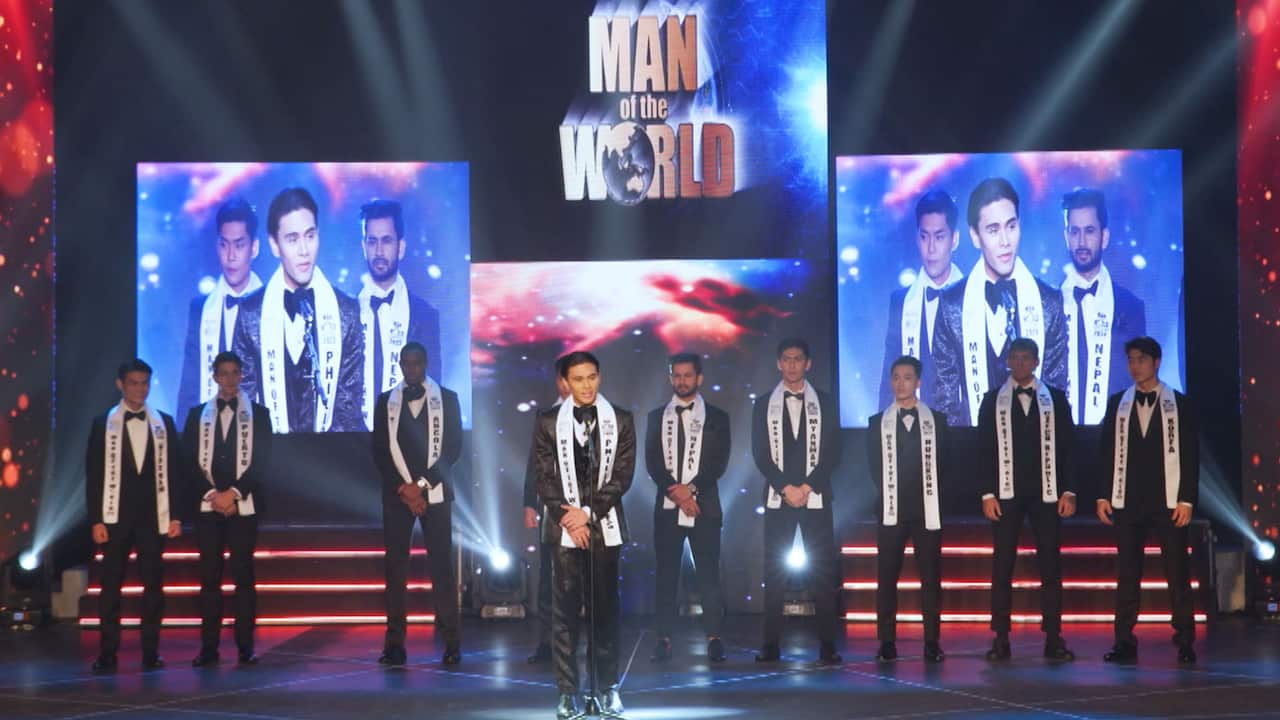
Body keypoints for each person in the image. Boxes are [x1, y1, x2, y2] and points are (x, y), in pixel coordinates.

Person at [533, 351, 635, 719]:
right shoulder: (547, 422)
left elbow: (622, 476)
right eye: (578, 379)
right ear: (565, 382)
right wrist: (570, 519)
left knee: (604, 611)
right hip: (564, 530)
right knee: (564, 614)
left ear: (599, 377)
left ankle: (607, 688)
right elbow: (543, 476)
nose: (586, 385)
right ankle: (567, 692)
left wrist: (588, 514)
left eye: (591, 377)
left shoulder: (620, 419)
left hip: (603, 528)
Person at [932, 177, 1069, 426]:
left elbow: (1056, 394)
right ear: (975, 236)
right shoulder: (951, 305)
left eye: (1011, 226)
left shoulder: (1048, 301)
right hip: (974, 444)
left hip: (1036, 441)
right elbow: (946, 403)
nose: (1005, 241)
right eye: (993, 230)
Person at [1097, 337, 1199, 665]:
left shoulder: (1179, 404)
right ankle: (1124, 640)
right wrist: (1103, 494)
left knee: (1177, 573)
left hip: (1168, 501)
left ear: (1156, 362)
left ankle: (1185, 640)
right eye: (1130, 360)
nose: (1134, 366)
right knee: (1127, 574)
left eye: (1141, 359)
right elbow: (1107, 451)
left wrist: (1186, 499)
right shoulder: (1118, 403)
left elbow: (1190, 454)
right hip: (1127, 501)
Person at [976, 338, 1076, 662]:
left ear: (1036, 362)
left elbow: (1069, 447)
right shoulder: (992, 400)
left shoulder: (1055, 399)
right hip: (1005, 495)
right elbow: (983, 449)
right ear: (1007, 361)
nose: (1019, 363)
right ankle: (1000, 637)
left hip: (1047, 493)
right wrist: (987, 493)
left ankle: (1054, 636)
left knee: (1050, 565)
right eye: (1015, 357)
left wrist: (1069, 490)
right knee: (1002, 565)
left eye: (1026, 358)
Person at [234, 187, 364, 432]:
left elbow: (348, 412)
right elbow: (243, 408)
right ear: (275, 245)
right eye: (292, 239)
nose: (304, 250)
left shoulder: (346, 311)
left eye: (310, 236)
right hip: (269, 452)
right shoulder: (250, 314)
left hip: (329, 452)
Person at [85, 359, 183, 672]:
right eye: (133, 383)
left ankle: (150, 652)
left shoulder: (164, 423)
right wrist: (96, 519)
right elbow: (94, 474)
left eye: (144, 383)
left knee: (153, 586)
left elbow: (175, 472)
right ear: (120, 385)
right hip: (114, 517)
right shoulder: (103, 423)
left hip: (153, 518)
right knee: (110, 587)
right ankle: (107, 652)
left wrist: (175, 515)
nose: (140, 389)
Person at [752, 338, 844, 665]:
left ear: (808, 363)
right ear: (779, 363)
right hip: (779, 498)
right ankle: (770, 645)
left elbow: (834, 452)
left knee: (822, 572)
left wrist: (806, 487)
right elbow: (760, 453)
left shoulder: (826, 403)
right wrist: (785, 488)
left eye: (798, 359)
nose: (792, 365)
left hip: (815, 495)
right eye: (787, 359)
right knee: (774, 572)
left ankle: (828, 645)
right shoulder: (764, 404)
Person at [371, 342, 463, 666]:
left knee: (442, 568)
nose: (411, 368)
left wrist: (420, 486)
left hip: (434, 494)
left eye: (417, 362)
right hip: (398, 496)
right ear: (399, 365)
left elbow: (452, 449)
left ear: (426, 364)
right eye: (406, 363)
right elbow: (380, 451)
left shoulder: (447, 399)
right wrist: (405, 489)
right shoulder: (386, 401)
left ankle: (451, 642)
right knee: (395, 569)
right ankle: (394, 644)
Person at [185, 351, 273, 668]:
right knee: (209, 578)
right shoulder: (197, 415)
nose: (230, 379)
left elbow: (262, 461)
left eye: (235, 373)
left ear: (241, 375)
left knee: (243, 577)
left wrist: (233, 494)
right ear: (214, 377)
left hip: (242, 507)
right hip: (208, 507)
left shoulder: (259, 414)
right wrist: (213, 494)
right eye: (224, 373)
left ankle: (245, 646)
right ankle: (208, 647)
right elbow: (188, 461)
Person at [647, 353, 731, 664]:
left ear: (699, 378)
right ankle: (663, 639)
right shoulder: (656, 417)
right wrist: (678, 493)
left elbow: (718, 462)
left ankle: (714, 638)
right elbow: (653, 462)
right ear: (671, 378)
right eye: (677, 375)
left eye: (687, 375)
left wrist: (692, 490)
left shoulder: (717, 417)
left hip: (704, 506)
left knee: (708, 574)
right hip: (668, 507)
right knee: (666, 575)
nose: (682, 381)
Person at [867, 355, 948, 663]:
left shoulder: (937, 421)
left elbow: (947, 465)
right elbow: (874, 468)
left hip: (927, 509)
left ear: (918, 382)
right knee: (887, 577)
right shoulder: (877, 423)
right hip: (891, 510)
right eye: (896, 377)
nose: (901, 383)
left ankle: (932, 640)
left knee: (930, 577)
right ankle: (886, 640)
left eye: (908, 377)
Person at [1058, 188, 1146, 424]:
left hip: (1114, 435)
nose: (1081, 242)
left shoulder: (1130, 308)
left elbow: (1139, 383)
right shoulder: (1049, 305)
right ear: (1066, 237)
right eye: (1074, 232)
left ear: (1104, 237)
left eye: (1089, 231)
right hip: (1059, 437)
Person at [357, 199, 443, 430]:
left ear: (400, 247)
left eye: (386, 241)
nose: (379, 251)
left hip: (407, 439)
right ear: (364, 247)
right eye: (372, 241)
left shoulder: (425, 316)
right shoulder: (346, 314)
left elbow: (433, 392)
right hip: (356, 441)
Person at [177, 198, 264, 421]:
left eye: (239, 245)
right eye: (224, 245)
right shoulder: (201, 309)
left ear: (254, 248)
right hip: (211, 429)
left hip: (259, 429)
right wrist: (182, 434)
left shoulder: (272, 306)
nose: (231, 256)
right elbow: (190, 385)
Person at [879, 190, 965, 410]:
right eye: (924, 237)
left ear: (954, 239)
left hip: (965, 424)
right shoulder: (901, 301)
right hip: (915, 421)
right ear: (917, 239)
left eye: (939, 237)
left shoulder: (974, 297)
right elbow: (890, 375)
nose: (931, 248)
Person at [523, 361, 571, 665]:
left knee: (583, 577)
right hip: (550, 507)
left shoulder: (596, 415)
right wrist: (529, 502)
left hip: (584, 510)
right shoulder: (544, 416)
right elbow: (534, 463)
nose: (567, 385)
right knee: (548, 575)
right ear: (557, 381)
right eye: (563, 379)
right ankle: (547, 642)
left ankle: (581, 640)